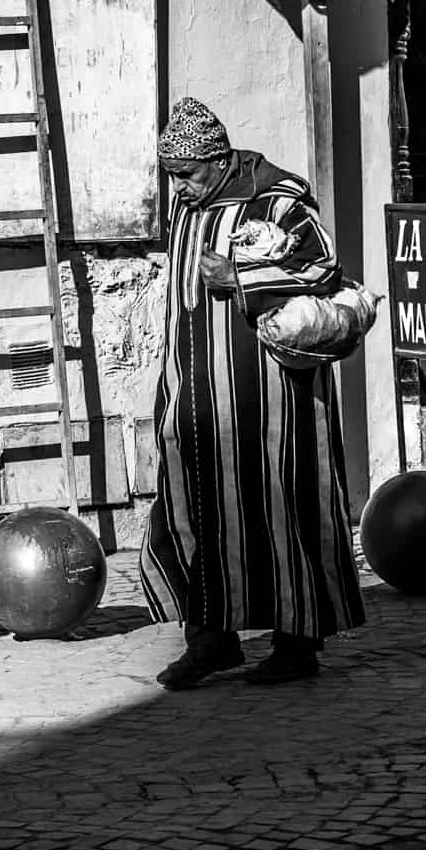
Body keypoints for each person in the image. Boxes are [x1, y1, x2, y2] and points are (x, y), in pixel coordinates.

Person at [141, 97, 365, 689]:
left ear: (217, 160)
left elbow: (323, 269)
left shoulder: (280, 199)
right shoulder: (186, 210)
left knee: (286, 508)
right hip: (195, 391)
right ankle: (210, 639)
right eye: (172, 178)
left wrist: (239, 276)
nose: (179, 188)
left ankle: (298, 645)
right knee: (192, 507)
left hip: (274, 399)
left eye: (186, 175)